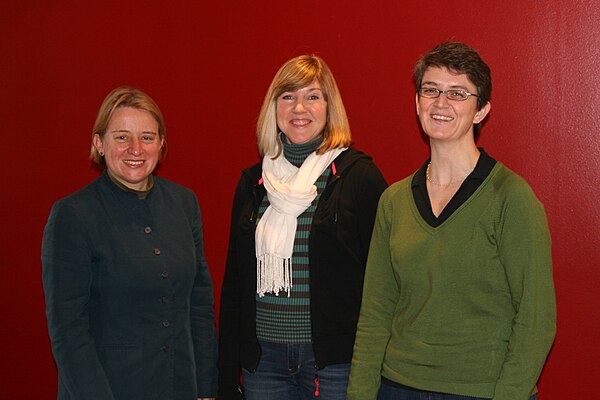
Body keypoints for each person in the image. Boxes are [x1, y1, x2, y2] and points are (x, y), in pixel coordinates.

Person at [347, 42, 556, 400]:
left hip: (479, 390)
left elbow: (536, 319)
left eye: (458, 93)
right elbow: (376, 312)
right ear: (417, 103)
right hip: (397, 386)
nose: (441, 103)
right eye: (431, 90)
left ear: (481, 110)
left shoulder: (511, 197)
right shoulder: (394, 201)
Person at [217, 55, 388, 400]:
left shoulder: (358, 176)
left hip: (334, 364)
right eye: (288, 96)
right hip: (263, 363)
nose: (299, 108)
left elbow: (383, 282)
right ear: (274, 106)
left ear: (329, 107)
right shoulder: (253, 183)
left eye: (312, 96)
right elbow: (235, 284)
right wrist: (225, 374)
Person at [42, 86, 218, 400]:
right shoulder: (73, 215)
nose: (135, 149)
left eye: (147, 137)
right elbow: (68, 331)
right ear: (99, 143)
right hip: (107, 388)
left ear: (161, 144)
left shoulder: (184, 203)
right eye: (122, 137)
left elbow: (199, 303)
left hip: (180, 386)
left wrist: (206, 385)